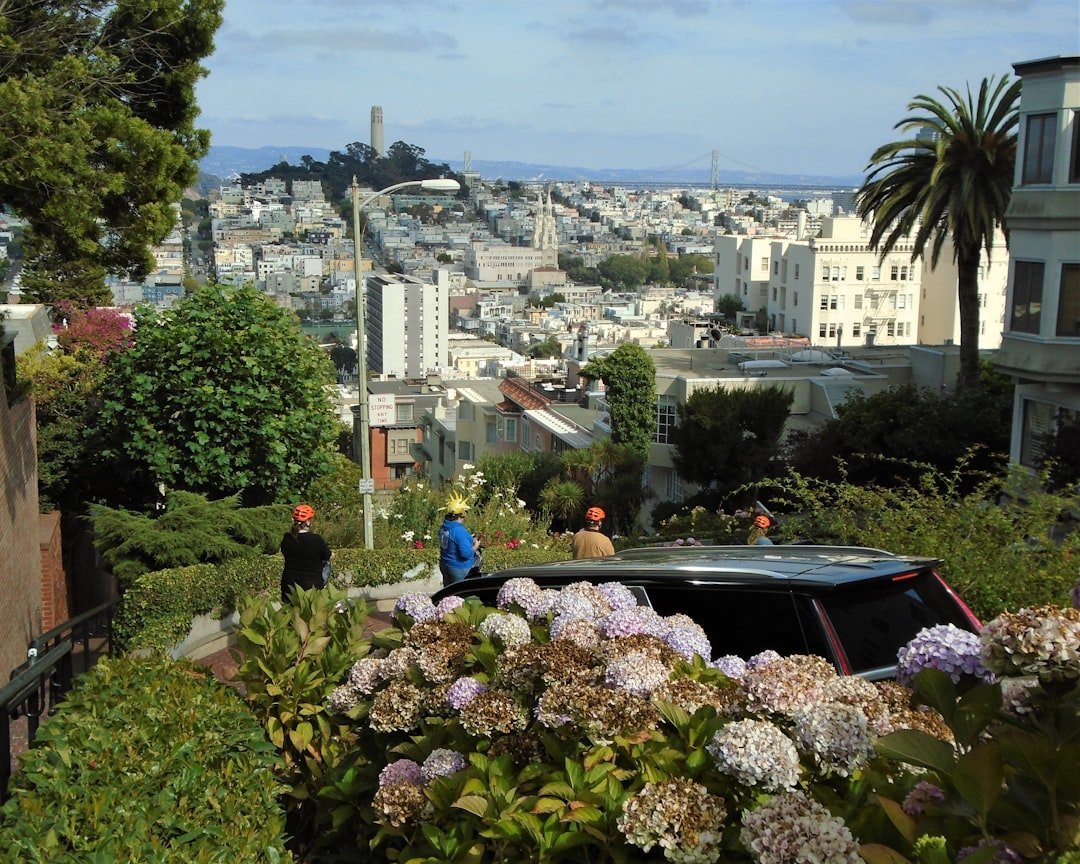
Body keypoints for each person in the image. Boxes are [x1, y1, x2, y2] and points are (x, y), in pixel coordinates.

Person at [280, 503, 332, 602]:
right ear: (308, 522)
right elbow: (326, 556)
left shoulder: (287, 538)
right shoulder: (316, 539)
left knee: (290, 612)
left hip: (289, 583)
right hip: (311, 585)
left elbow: (285, 552)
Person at [439, 492, 479, 587]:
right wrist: (475, 546)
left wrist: (468, 540)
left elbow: (450, 542)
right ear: (462, 514)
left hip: (445, 563)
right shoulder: (459, 531)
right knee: (461, 596)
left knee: (448, 593)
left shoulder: (444, 527)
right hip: (459, 568)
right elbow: (465, 554)